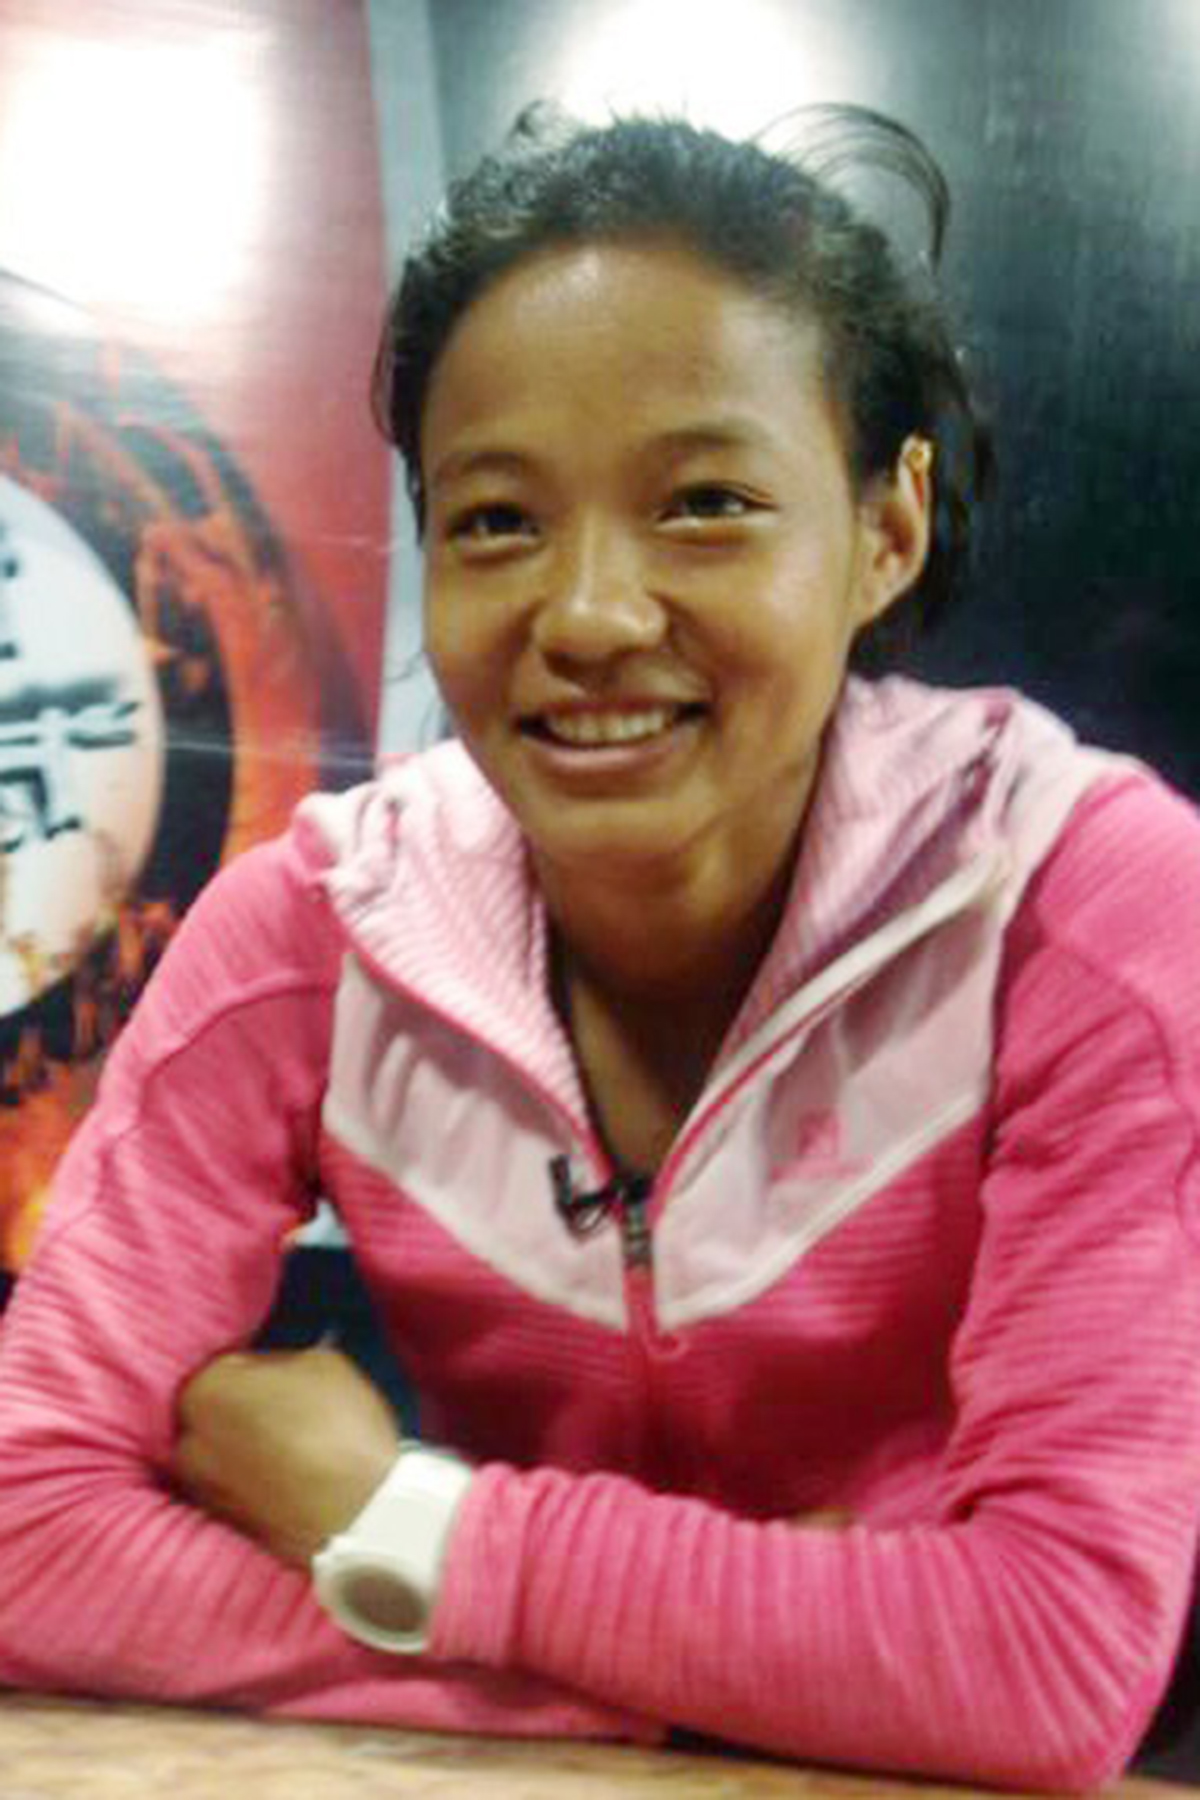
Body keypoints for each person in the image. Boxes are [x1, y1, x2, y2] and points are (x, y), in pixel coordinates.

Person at [1, 104, 1199, 1793]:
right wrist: (712, 1680)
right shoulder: (309, 938)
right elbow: (25, 1528)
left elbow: (1046, 1659)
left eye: (706, 503)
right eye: (497, 521)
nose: (587, 615)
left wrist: (406, 1523)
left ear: (889, 528)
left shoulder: (1084, 909)